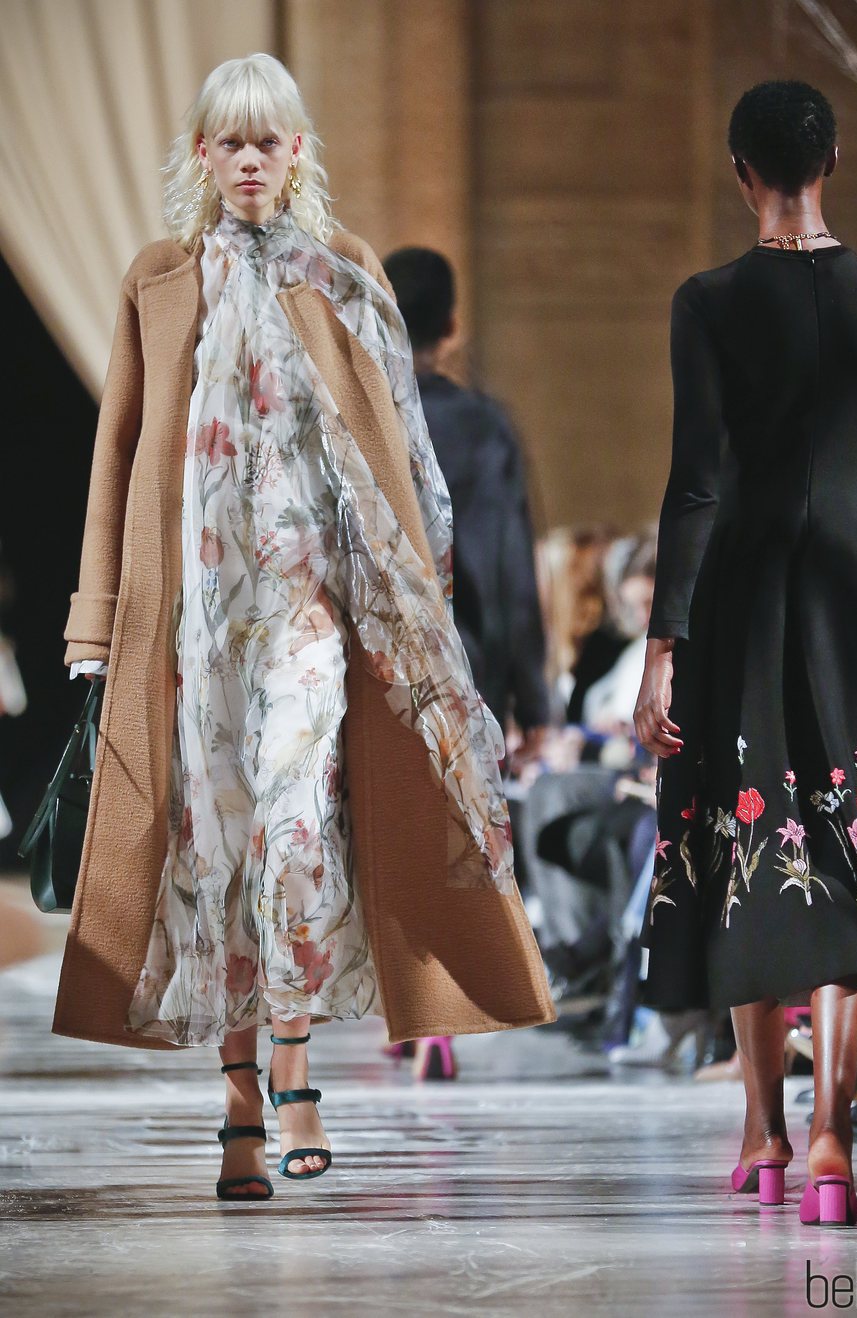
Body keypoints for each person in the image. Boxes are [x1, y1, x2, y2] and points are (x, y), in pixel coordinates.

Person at [59, 53, 554, 1202]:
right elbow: (118, 452)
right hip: (192, 626)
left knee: (294, 835)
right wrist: (96, 616)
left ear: (296, 152)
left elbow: (400, 458)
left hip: (307, 621)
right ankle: (237, 1105)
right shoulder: (157, 277)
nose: (246, 159)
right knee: (209, 856)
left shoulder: (343, 275)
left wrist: (414, 615)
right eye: (227, 141)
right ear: (200, 154)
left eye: (266, 140)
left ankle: (291, 1070)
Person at [632, 79, 857, 1227]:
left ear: (741, 171)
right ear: (829, 158)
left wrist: (659, 645)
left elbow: (691, 485)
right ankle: (832, 1134)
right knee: (847, 853)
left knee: (749, 842)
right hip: (856, 596)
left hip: (740, 594)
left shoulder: (706, 301)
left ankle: (763, 1131)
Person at [381, 246, 549, 770]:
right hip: (469, 674)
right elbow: (511, 569)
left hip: (374, 672)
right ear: (451, 326)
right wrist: (534, 699)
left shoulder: (355, 422)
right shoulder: (486, 429)